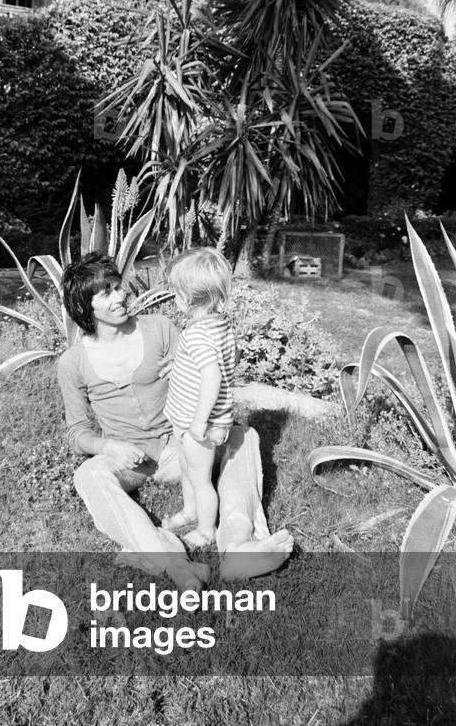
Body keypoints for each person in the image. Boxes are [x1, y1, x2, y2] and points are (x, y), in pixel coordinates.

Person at [57, 252, 293, 591]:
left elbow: (206, 371)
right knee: (87, 474)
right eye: (107, 292)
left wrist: (182, 377)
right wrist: (109, 446)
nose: (121, 296)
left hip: (181, 447)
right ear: (84, 306)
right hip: (130, 461)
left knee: (244, 436)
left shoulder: (158, 328)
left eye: (119, 286)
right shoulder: (73, 362)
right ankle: (172, 561)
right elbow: (77, 432)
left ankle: (239, 542)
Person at [162, 248, 235, 548]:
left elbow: (212, 377)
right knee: (186, 466)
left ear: (186, 298)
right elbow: (224, 362)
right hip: (190, 419)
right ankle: (190, 511)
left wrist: (199, 422)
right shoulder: (218, 325)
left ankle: (206, 530)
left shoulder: (196, 335)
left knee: (201, 479)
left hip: (200, 422)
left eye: (175, 293)